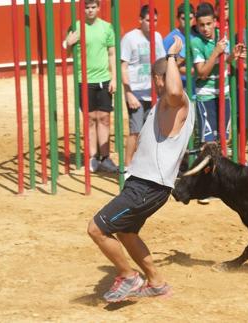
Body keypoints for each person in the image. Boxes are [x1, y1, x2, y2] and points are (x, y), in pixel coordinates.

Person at [87, 36, 194, 303]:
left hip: (148, 186)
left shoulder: (176, 103)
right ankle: (156, 282)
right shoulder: (163, 107)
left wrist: (170, 57)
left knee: (97, 229)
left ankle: (128, 276)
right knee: (125, 231)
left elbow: (173, 91)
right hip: (144, 184)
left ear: (159, 79)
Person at [64, 0, 119, 172]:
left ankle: (105, 157)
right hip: (84, 80)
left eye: (93, 7)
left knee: (103, 118)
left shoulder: (107, 27)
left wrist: (114, 78)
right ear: (83, 9)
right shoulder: (76, 26)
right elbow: (65, 51)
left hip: (104, 79)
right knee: (89, 119)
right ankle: (92, 157)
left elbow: (112, 54)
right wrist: (68, 43)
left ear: (98, 8)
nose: (90, 10)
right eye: (87, 7)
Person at [191, 2, 244, 145]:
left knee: (224, 140)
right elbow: (202, 73)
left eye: (208, 23)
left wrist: (232, 56)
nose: (206, 28)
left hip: (223, 93)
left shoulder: (223, 37)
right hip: (206, 95)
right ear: (197, 25)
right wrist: (216, 52)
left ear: (215, 22)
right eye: (201, 25)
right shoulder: (196, 43)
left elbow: (224, 62)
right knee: (209, 143)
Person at [121, 5, 166, 168]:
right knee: (135, 131)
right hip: (136, 94)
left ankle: (146, 165)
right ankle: (127, 167)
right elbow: (123, 67)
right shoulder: (130, 38)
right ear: (140, 20)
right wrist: (128, 93)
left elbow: (161, 65)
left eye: (154, 20)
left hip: (154, 93)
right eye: (148, 20)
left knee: (151, 133)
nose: (151, 24)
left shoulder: (158, 37)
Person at [163, 3, 196, 89]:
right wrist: (191, 71)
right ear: (177, 18)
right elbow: (165, 66)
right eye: (183, 19)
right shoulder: (170, 39)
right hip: (179, 86)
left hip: (197, 87)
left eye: (190, 18)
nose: (187, 22)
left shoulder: (197, 35)